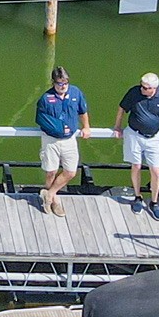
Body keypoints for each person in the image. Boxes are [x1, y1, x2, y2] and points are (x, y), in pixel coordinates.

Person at [115, 72, 159, 218]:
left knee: (156, 171)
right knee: (136, 166)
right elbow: (121, 109)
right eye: (141, 86)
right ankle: (137, 197)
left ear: (153, 88)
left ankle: (154, 202)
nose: (142, 89)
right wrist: (117, 127)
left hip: (153, 138)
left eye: (145, 88)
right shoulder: (134, 92)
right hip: (134, 134)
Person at [35, 67, 90, 217]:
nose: (63, 86)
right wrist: (56, 128)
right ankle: (54, 201)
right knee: (50, 171)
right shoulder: (45, 99)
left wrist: (86, 127)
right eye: (59, 83)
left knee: (70, 171)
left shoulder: (76, 93)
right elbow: (40, 119)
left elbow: (82, 111)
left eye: (65, 83)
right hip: (51, 140)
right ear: (53, 83)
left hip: (69, 140)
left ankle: (49, 194)